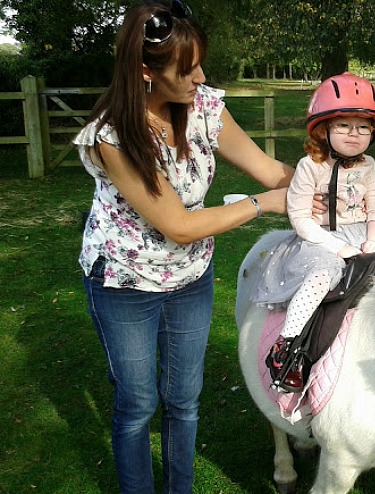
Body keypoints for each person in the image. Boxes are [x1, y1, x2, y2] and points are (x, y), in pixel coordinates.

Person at [73, 1, 323, 492]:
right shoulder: (114, 134)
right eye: (187, 70)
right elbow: (179, 226)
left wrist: (325, 188)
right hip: (124, 279)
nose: (200, 77)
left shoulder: (204, 106)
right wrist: (264, 203)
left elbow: (272, 171)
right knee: (138, 403)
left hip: (190, 277)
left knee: (185, 399)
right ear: (146, 71)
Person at [251, 72, 375, 393]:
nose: (355, 134)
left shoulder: (368, 166)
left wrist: (374, 237)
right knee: (324, 275)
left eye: (364, 127)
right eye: (344, 126)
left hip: (364, 230)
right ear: (323, 129)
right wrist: (336, 248)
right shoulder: (309, 166)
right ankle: (287, 345)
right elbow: (299, 217)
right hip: (318, 236)